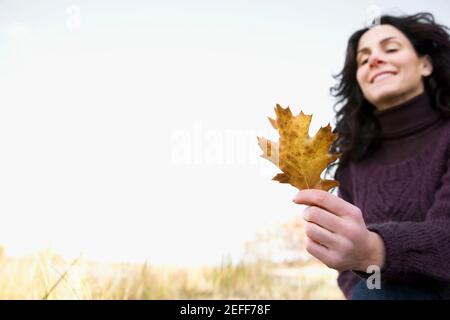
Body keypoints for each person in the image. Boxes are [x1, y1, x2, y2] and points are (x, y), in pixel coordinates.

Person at [292, 12, 450, 300]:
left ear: (425, 64)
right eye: (363, 59)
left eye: (391, 49)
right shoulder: (353, 162)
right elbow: (349, 272)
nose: (374, 60)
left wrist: (375, 250)